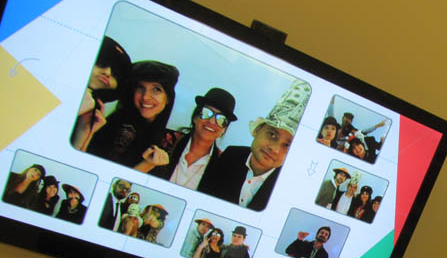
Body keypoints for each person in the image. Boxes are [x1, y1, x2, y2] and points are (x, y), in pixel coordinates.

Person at [199, 79, 311, 211]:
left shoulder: (290, 187)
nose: (275, 149)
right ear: (257, 130)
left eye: (287, 145)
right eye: (272, 135)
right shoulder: (231, 155)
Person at [138, 88, 237, 190]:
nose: (211, 121)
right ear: (195, 117)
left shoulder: (221, 165)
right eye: (206, 113)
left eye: (221, 119)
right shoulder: (165, 141)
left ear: (224, 130)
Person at [85, 60, 179, 168]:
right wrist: (147, 165)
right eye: (140, 87)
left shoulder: (166, 137)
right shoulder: (125, 130)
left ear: (168, 98)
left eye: (156, 89)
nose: (145, 97)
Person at [71, 36, 132, 151]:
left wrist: (83, 132)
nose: (107, 72)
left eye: (115, 73)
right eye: (102, 63)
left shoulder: (92, 115)